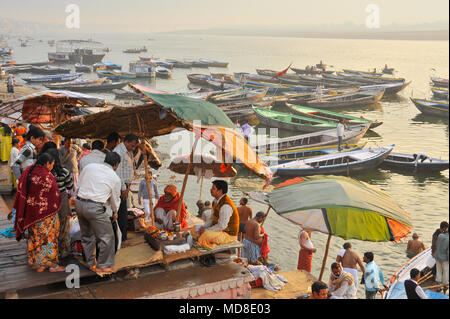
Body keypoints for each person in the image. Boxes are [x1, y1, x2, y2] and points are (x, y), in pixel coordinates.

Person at [13, 153, 65, 273]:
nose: (52, 166)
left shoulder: (28, 171)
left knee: (35, 237)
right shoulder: (47, 176)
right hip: (46, 214)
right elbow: (54, 196)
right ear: (47, 163)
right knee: (49, 238)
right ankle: (52, 265)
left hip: (31, 213)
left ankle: (38, 263)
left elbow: (21, 189)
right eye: (52, 164)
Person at [75, 152, 122, 273]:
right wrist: (115, 212)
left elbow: (78, 185)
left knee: (86, 236)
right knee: (107, 237)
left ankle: (90, 263)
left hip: (79, 203)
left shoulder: (89, 167)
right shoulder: (115, 177)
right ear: (116, 165)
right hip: (95, 207)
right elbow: (115, 200)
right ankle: (104, 265)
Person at [43, 147, 74, 259]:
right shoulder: (64, 172)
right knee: (64, 224)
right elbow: (70, 186)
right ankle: (64, 250)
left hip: (48, 200)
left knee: (50, 225)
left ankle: (51, 251)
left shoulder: (44, 173)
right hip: (62, 199)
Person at [193, 180, 239, 249]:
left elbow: (222, 226)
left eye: (213, 188)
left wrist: (206, 230)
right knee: (194, 228)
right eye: (212, 188)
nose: (211, 190)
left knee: (205, 235)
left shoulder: (225, 206)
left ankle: (202, 245)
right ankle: (198, 241)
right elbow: (212, 219)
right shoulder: (215, 201)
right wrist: (204, 227)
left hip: (228, 234)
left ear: (220, 191)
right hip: (218, 229)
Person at [113, 134, 139, 242]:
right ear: (126, 142)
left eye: (134, 146)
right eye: (132, 145)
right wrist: (124, 188)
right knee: (121, 212)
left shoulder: (128, 151)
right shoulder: (119, 151)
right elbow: (118, 172)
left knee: (123, 211)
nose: (133, 148)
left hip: (125, 186)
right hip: (120, 186)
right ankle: (121, 237)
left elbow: (128, 168)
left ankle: (122, 235)